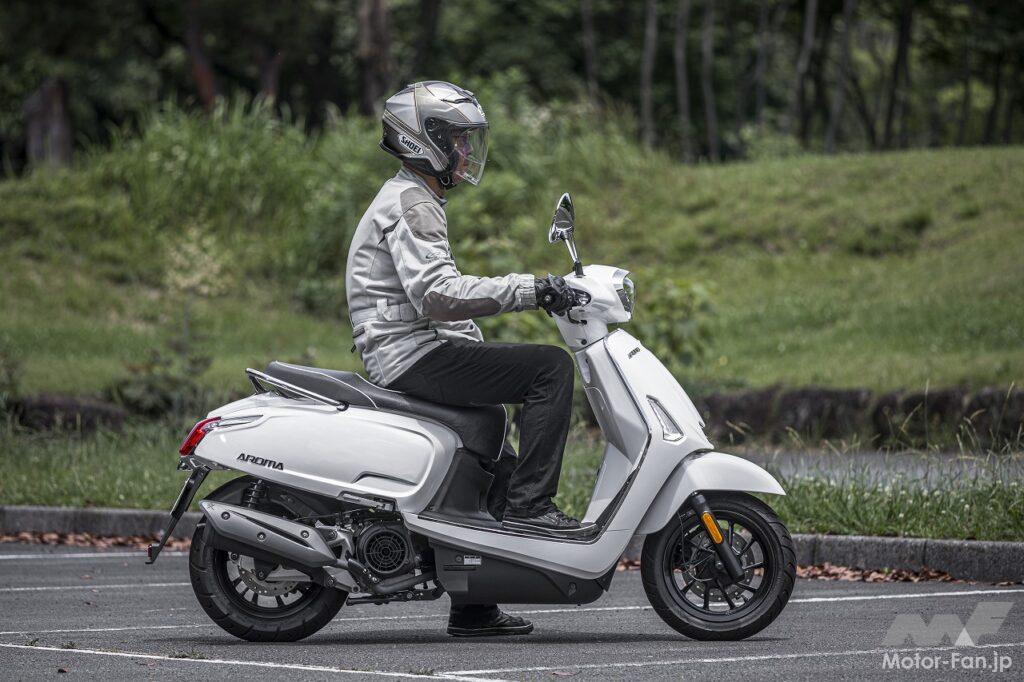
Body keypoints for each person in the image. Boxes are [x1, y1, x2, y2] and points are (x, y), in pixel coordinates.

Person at [345, 81, 586, 637]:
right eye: (455, 139)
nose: (464, 150)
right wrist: (529, 288)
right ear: (422, 140)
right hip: (408, 355)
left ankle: (474, 605)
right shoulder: (412, 203)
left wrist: (481, 339)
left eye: (465, 139)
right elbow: (437, 295)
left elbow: (434, 303)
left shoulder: (416, 196)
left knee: (494, 444)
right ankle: (531, 509)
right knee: (549, 369)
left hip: (412, 347)